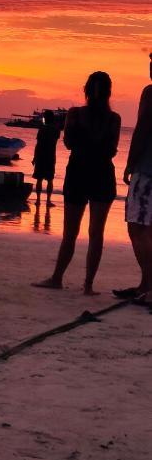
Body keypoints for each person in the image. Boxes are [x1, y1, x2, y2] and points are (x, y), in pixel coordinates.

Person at [33, 71, 121, 295]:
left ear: (86, 90)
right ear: (109, 92)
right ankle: (88, 285)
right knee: (96, 233)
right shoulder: (114, 119)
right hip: (102, 174)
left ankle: (57, 278)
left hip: (78, 173)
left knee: (70, 233)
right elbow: (111, 150)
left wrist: (85, 141)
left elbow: (69, 143)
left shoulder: (74, 114)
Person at [114, 54, 152, 302]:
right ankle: (145, 285)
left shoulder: (150, 93)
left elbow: (143, 128)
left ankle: (148, 286)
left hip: (148, 170)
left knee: (137, 227)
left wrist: (129, 162)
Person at [32, 110, 60, 205]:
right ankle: (48, 201)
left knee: (39, 179)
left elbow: (38, 144)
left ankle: (38, 200)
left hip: (40, 156)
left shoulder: (42, 129)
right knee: (50, 179)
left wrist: (35, 157)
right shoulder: (56, 130)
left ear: (45, 118)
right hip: (50, 156)